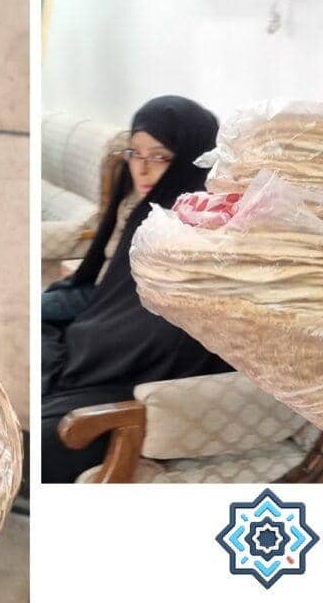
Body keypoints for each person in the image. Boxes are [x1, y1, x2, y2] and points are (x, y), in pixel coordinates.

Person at [41, 96, 233, 483]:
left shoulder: (205, 233)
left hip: (146, 378)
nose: (141, 168)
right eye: (135, 153)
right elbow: (114, 301)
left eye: (159, 156)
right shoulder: (150, 215)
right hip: (105, 346)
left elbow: (179, 337)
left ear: (192, 158)